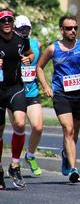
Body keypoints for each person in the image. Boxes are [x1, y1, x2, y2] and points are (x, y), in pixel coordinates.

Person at [37, 15, 80, 183]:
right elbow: (39, 68)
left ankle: (66, 154)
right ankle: (74, 169)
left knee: (74, 134)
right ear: (61, 30)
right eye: (69, 28)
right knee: (69, 130)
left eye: (75, 28)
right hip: (61, 94)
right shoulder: (53, 49)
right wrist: (46, 87)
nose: (73, 31)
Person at [0, 10, 35, 189]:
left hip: (15, 87)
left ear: (13, 22)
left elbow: (30, 54)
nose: (7, 22)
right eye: (3, 20)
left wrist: (28, 59)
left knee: (20, 124)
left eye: (9, 20)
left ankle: (15, 164)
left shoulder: (21, 39)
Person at [6, 15, 43, 176]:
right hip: (14, 91)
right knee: (18, 127)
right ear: (15, 29)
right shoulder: (9, 44)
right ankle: (15, 162)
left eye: (27, 28)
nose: (24, 32)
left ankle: (31, 155)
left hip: (32, 90)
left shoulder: (36, 44)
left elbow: (39, 65)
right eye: (21, 29)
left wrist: (45, 84)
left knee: (38, 127)